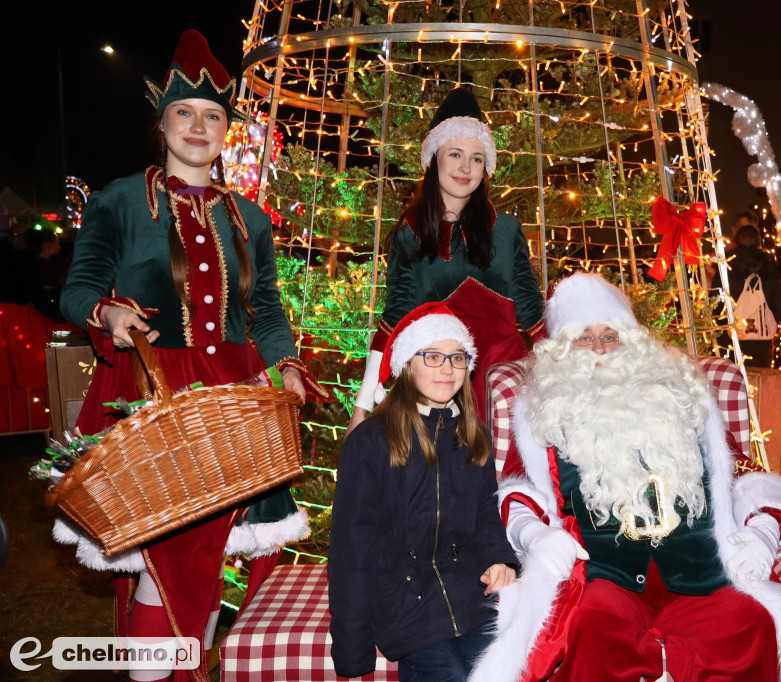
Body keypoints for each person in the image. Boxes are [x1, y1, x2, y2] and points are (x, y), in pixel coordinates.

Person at [56, 30, 325, 682]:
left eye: (212, 116)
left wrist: (287, 365)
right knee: (162, 564)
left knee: (210, 563)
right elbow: (78, 290)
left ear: (227, 129)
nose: (198, 126)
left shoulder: (250, 219)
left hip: (232, 414)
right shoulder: (120, 201)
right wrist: (109, 312)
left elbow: (264, 316)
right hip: (148, 402)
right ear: (162, 121)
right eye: (185, 113)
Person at [468, 273, 781, 682]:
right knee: (591, 629)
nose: (600, 349)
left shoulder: (683, 397)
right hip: (605, 576)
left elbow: (745, 474)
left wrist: (763, 532)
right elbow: (517, 490)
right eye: (584, 338)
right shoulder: (544, 413)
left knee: (748, 622)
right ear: (562, 350)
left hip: (700, 572)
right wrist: (535, 535)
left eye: (610, 335)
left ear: (633, 340)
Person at [329, 302, 519, 680]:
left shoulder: (472, 434)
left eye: (457, 357)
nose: (447, 368)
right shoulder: (370, 442)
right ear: (407, 365)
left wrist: (499, 559)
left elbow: (484, 513)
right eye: (432, 356)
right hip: (406, 604)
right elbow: (352, 549)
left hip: (470, 597)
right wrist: (353, 649)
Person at [349, 88, 545, 431]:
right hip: (438, 383)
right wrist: (362, 405)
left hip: (504, 384)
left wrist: (573, 373)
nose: (465, 168)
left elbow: (532, 310)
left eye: (477, 158)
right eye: (455, 154)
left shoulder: (506, 230)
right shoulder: (408, 235)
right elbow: (394, 317)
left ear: (487, 167)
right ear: (434, 157)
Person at [726, 223, 781, 367]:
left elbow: (715, 306)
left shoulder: (726, 269)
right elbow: (780, 311)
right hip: (761, 346)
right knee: (760, 386)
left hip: (731, 344)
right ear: (759, 242)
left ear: (736, 241)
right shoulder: (769, 270)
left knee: (731, 386)